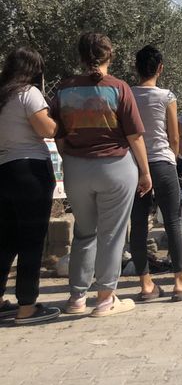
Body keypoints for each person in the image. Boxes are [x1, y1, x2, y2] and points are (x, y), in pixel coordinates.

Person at [55, 33, 150, 318]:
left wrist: (70, 158)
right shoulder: (119, 88)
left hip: (76, 167)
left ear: (81, 57)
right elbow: (134, 136)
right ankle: (106, 299)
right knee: (112, 235)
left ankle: (76, 298)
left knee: (84, 233)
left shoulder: (63, 89)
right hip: (115, 167)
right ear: (110, 56)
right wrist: (145, 172)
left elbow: (58, 134)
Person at [0, 48, 61, 324]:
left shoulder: (2, 96)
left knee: (6, 240)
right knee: (32, 241)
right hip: (30, 171)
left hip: (4, 171)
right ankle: (27, 306)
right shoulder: (28, 94)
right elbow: (46, 130)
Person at [129, 45, 182, 302]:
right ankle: (180, 282)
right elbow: (173, 135)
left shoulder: (126, 95)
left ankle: (145, 284)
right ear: (160, 68)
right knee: (173, 222)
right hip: (163, 162)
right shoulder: (167, 96)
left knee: (139, 224)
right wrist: (173, 160)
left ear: (136, 68)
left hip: (134, 165)